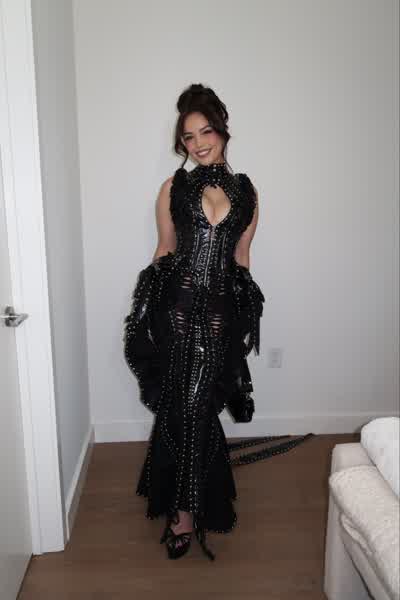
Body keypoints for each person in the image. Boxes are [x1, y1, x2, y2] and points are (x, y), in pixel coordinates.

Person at [123, 83, 313, 561]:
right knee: (181, 404)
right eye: (188, 137)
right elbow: (165, 250)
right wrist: (146, 312)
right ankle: (184, 512)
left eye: (205, 131)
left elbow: (242, 258)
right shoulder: (173, 187)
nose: (198, 143)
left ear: (223, 131)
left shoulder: (248, 192)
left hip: (219, 317)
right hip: (176, 309)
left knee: (200, 405)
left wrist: (244, 317)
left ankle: (190, 498)